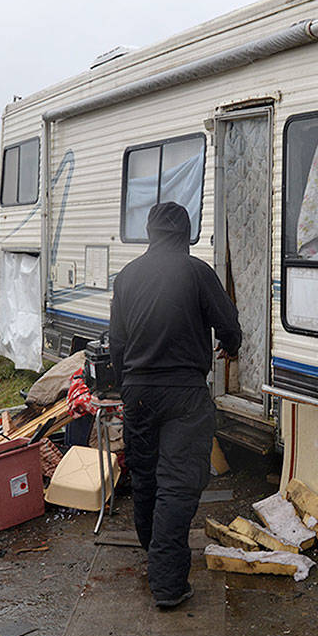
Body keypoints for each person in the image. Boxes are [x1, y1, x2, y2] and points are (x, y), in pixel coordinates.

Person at [109, 201, 241, 608]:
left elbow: (117, 342)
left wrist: (123, 385)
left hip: (139, 392)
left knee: (147, 477)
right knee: (178, 485)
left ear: (150, 232)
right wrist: (230, 348)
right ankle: (167, 584)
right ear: (186, 233)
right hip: (184, 393)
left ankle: (154, 552)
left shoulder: (127, 277)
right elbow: (229, 324)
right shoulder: (197, 272)